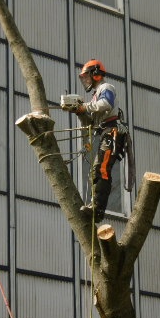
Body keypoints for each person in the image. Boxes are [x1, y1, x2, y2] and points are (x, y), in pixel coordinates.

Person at [63, 58, 128, 223]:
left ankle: (97, 210)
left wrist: (84, 106)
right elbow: (89, 124)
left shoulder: (106, 88)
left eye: (87, 76)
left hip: (113, 132)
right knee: (96, 170)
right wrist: (78, 111)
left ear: (96, 74)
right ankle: (94, 205)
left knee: (102, 169)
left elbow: (106, 104)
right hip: (105, 133)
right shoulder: (93, 98)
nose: (86, 80)